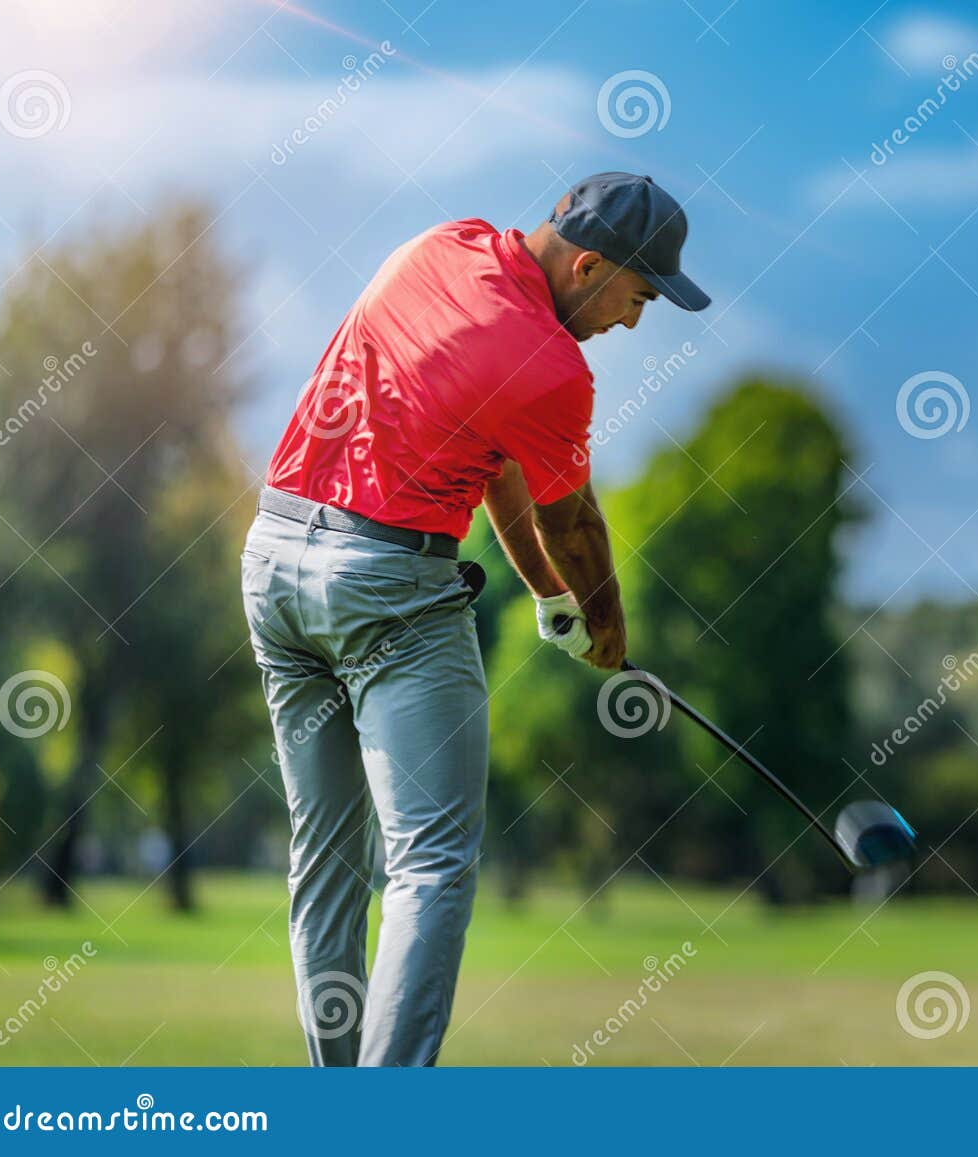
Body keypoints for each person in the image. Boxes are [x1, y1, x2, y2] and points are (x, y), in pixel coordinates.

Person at [240, 172, 708, 1066]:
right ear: (589, 265)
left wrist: (546, 596)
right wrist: (607, 626)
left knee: (327, 861)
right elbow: (575, 522)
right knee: (430, 865)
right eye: (640, 296)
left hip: (274, 563)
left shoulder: (441, 247)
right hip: (386, 587)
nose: (636, 321)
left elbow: (497, 466)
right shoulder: (555, 367)